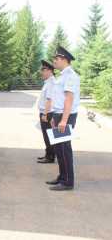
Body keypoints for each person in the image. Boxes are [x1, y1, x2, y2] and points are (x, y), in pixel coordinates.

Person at [47, 46, 80, 191]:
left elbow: (69, 99)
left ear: (64, 60)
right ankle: (62, 177)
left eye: (56, 59)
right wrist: (55, 116)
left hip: (66, 116)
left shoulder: (70, 76)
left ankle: (68, 182)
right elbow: (59, 99)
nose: (54, 61)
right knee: (59, 148)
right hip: (59, 114)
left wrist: (64, 120)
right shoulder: (62, 75)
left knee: (65, 148)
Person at [37, 60, 56, 164]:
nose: (42, 72)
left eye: (43, 70)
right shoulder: (48, 82)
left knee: (48, 135)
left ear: (50, 71)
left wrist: (45, 113)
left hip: (47, 113)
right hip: (46, 112)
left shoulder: (51, 83)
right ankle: (48, 154)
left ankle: (50, 156)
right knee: (46, 135)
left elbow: (49, 100)